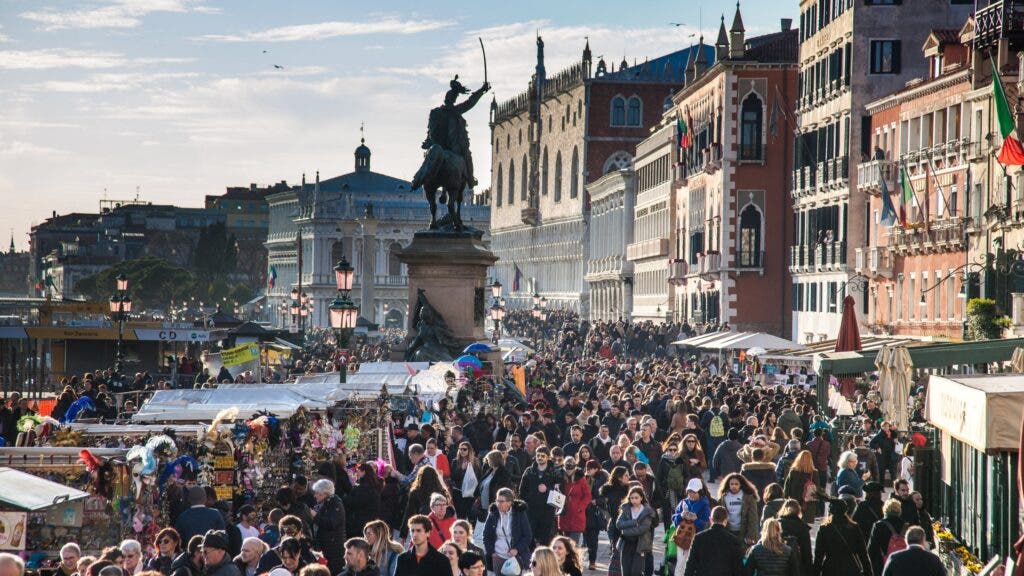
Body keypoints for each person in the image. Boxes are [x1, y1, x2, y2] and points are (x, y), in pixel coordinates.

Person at [811, 500, 870, 576]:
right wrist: (868, 572)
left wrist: (816, 573)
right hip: (851, 568)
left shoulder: (824, 529)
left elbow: (818, 556)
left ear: (831, 511)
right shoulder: (854, 528)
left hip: (830, 569)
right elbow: (863, 553)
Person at [482, 487, 532, 574]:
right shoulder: (493, 514)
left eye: (501, 501)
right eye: (497, 501)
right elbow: (486, 536)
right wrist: (492, 552)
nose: (498, 504)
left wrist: (517, 549)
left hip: (516, 556)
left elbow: (527, 536)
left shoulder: (519, 513)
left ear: (509, 503)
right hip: (497, 556)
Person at [518, 445, 560, 547]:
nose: (540, 458)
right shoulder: (529, 471)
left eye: (543, 456)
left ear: (548, 457)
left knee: (545, 538)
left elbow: (559, 491)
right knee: (530, 536)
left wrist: (547, 489)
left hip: (547, 510)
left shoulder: (554, 472)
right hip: (531, 509)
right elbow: (522, 490)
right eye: (538, 455)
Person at [683, 506, 743, 576]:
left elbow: (690, 565)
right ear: (726, 521)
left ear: (710, 519)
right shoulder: (734, 540)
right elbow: (738, 569)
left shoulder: (698, 538)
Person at [615, 485, 656, 576]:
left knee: (636, 571)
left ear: (641, 497)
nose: (634, 500)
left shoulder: (647, 511)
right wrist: (634, 522)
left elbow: (643, 529)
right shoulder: (626, 508)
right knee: (626, 571)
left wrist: (625, 531)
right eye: (632, 498)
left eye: (636, 498)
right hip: (626, 543)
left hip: (640, 543)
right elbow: (619, 524)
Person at [310, 478, 347, 575]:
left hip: (334, 549)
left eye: (317, 493)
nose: (315, 496)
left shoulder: (335, 504)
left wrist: (315, 516)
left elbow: (331, 524)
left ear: (325, 493)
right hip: (326, 547)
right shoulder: (323, 504)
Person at [716, 473, 759, 548]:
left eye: (736, 484)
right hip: (728, 531)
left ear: (741, 485)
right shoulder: (723, 497)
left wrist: (750, 535)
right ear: (728, 485)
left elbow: (753, 518)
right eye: (731, 484)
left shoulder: (749, 497)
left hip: (743, 532)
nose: (734, 486)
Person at [344, 462, 382, 541]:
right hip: (371, 520)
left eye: (358, 470)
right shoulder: (375, 484)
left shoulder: (362, 487)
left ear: (363, 472)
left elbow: (353, 503)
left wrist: (345, 497)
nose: (356, 472)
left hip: (359, 522)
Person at [558, 457, 592, 545]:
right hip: (564, 513)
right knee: (565, 544)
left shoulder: (581, 478)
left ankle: (574, 558)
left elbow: (587, 495)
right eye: (567, 468)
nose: (569, 470)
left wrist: (580, 507)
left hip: (577, 513)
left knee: (573, 544)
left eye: (571, 468)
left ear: (575, 467)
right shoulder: (560, 477)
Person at [867, 500, 906, 576]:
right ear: (899, 511)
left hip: (883, 564)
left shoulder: (878, 525)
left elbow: (871, 549)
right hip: (902, 564)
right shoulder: (906, 526)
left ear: (885, 510)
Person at [776, 500, 812, 576]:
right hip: (797, 566)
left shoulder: (777, 524)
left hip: (778, 564)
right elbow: (807, 552)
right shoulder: (802, 527)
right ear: (798, 511)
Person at [782, 450, 817, 520]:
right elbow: (817, 489)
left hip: (794, 502)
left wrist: (785, 500)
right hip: (807, 504)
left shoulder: (793, 471)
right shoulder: (814, 473)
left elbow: (787, 487)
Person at [450, 442, 481, 519]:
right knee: (460, 515)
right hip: (458, 492)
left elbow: (478, 477)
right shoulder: (455, 461)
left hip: (471, 493)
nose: (462, 451)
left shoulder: (475, 462)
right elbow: (453, 477)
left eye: (464, 449)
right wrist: (462, 469)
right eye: (460, 449)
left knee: (471, 516)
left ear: (469, 450)